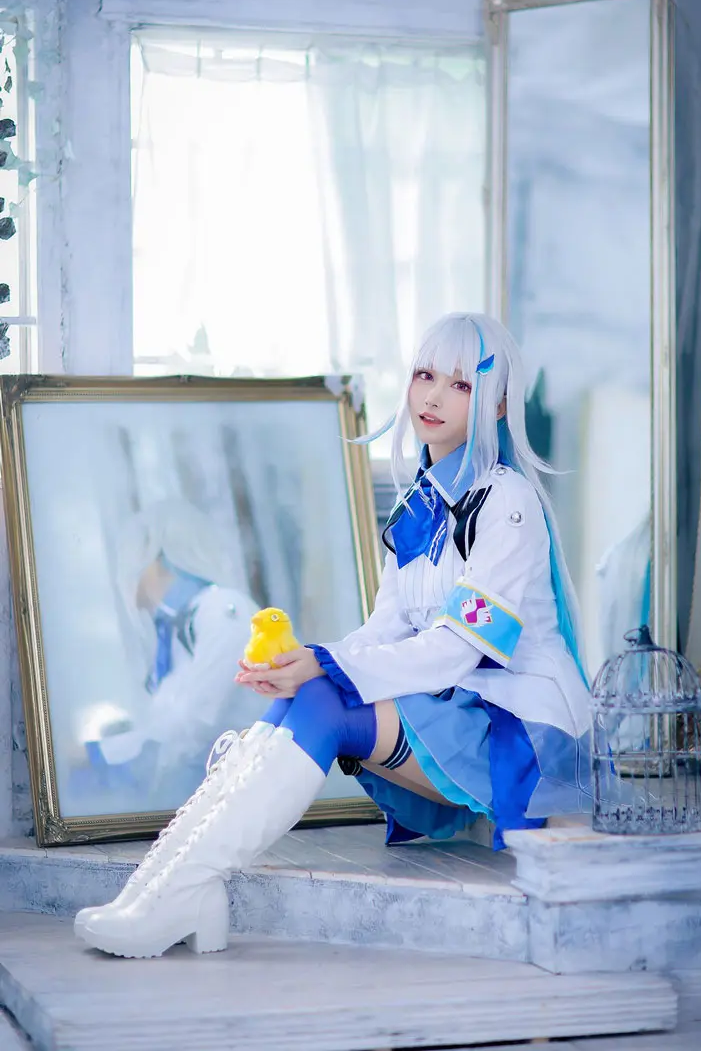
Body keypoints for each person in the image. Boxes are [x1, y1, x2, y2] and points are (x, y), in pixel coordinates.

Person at [75, 312, 593, 960]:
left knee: (323, 695)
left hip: (516, 729)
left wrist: (325, 665)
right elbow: (384, 631)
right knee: (311, 691)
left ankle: (181, 892)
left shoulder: (506, 505)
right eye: (425, 375)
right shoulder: (422, 507)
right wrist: (308, 662)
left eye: (460, 385)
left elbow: (458, 649)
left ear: (498, 404)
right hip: (456, 702)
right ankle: (162, 885)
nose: (432, 396)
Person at [71, 500, 265, 811]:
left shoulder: (224, 611)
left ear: (154, 562)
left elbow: (192, 724)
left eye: (130, 563)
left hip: (240, 793)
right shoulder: (180, 627)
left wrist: (96, 755)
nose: (125, 580)